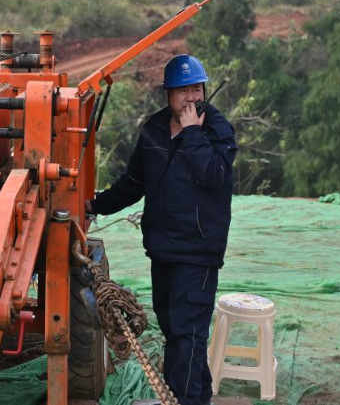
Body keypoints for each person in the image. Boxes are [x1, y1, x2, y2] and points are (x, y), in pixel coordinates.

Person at [87, 54, 237, 405]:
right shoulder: (154, 129)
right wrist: (95, 205)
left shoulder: (217, 130)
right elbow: (133, 182)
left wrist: (193, 133)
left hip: (198, 251)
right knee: (176, 331)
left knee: (187, 334)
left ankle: (179, 400)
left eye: (196, 89)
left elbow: (213, 176)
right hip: (162, 248)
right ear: (167, 93)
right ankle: (196, 397)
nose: (190, 97)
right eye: (182, 90)